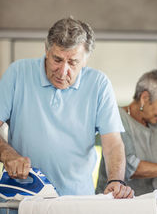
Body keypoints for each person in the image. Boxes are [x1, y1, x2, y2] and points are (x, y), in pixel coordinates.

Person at [0, 17, 133, 199]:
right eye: (57, 59)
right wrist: (8, 154)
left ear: (85, 60)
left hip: (76, 200)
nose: (63, 72)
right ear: (46, 50)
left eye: (72, 62)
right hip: (22, 199)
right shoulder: (17, 73)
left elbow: (112, 144)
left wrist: (115, 181)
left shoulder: (99, 84)